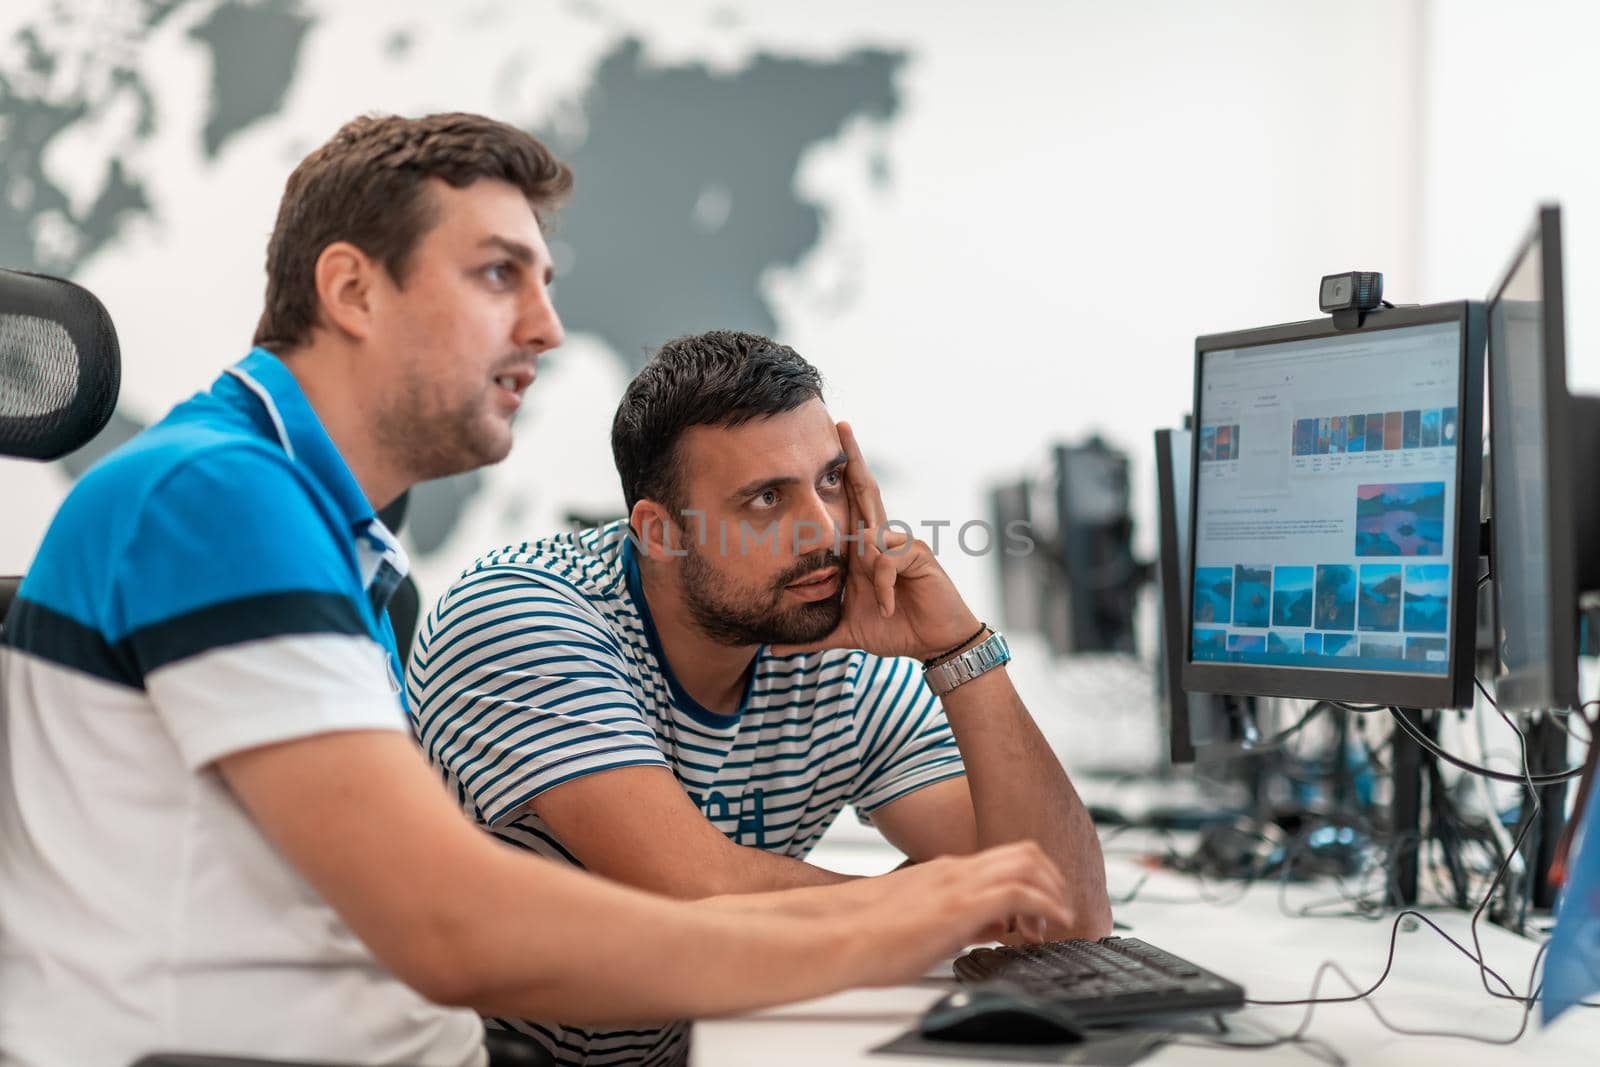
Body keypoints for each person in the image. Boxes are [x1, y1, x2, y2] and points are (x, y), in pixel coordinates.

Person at [0, 113, 1076, 1067]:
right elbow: (448, 924)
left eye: (543, 284)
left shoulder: (315, 524)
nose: (547, 329)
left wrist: (958, 661)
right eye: (497, 276)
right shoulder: (215, 497)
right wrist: (911, 913)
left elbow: (1064, 906)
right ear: (351, 289)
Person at [408, 329, 1113, 1064]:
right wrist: (954, 899)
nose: (825, 530)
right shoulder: (520, 613)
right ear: (658, 532)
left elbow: (1067, 916)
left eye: (832, 480)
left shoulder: (833, 645)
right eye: (768, 498)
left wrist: (959, 649)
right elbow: (696, 890)